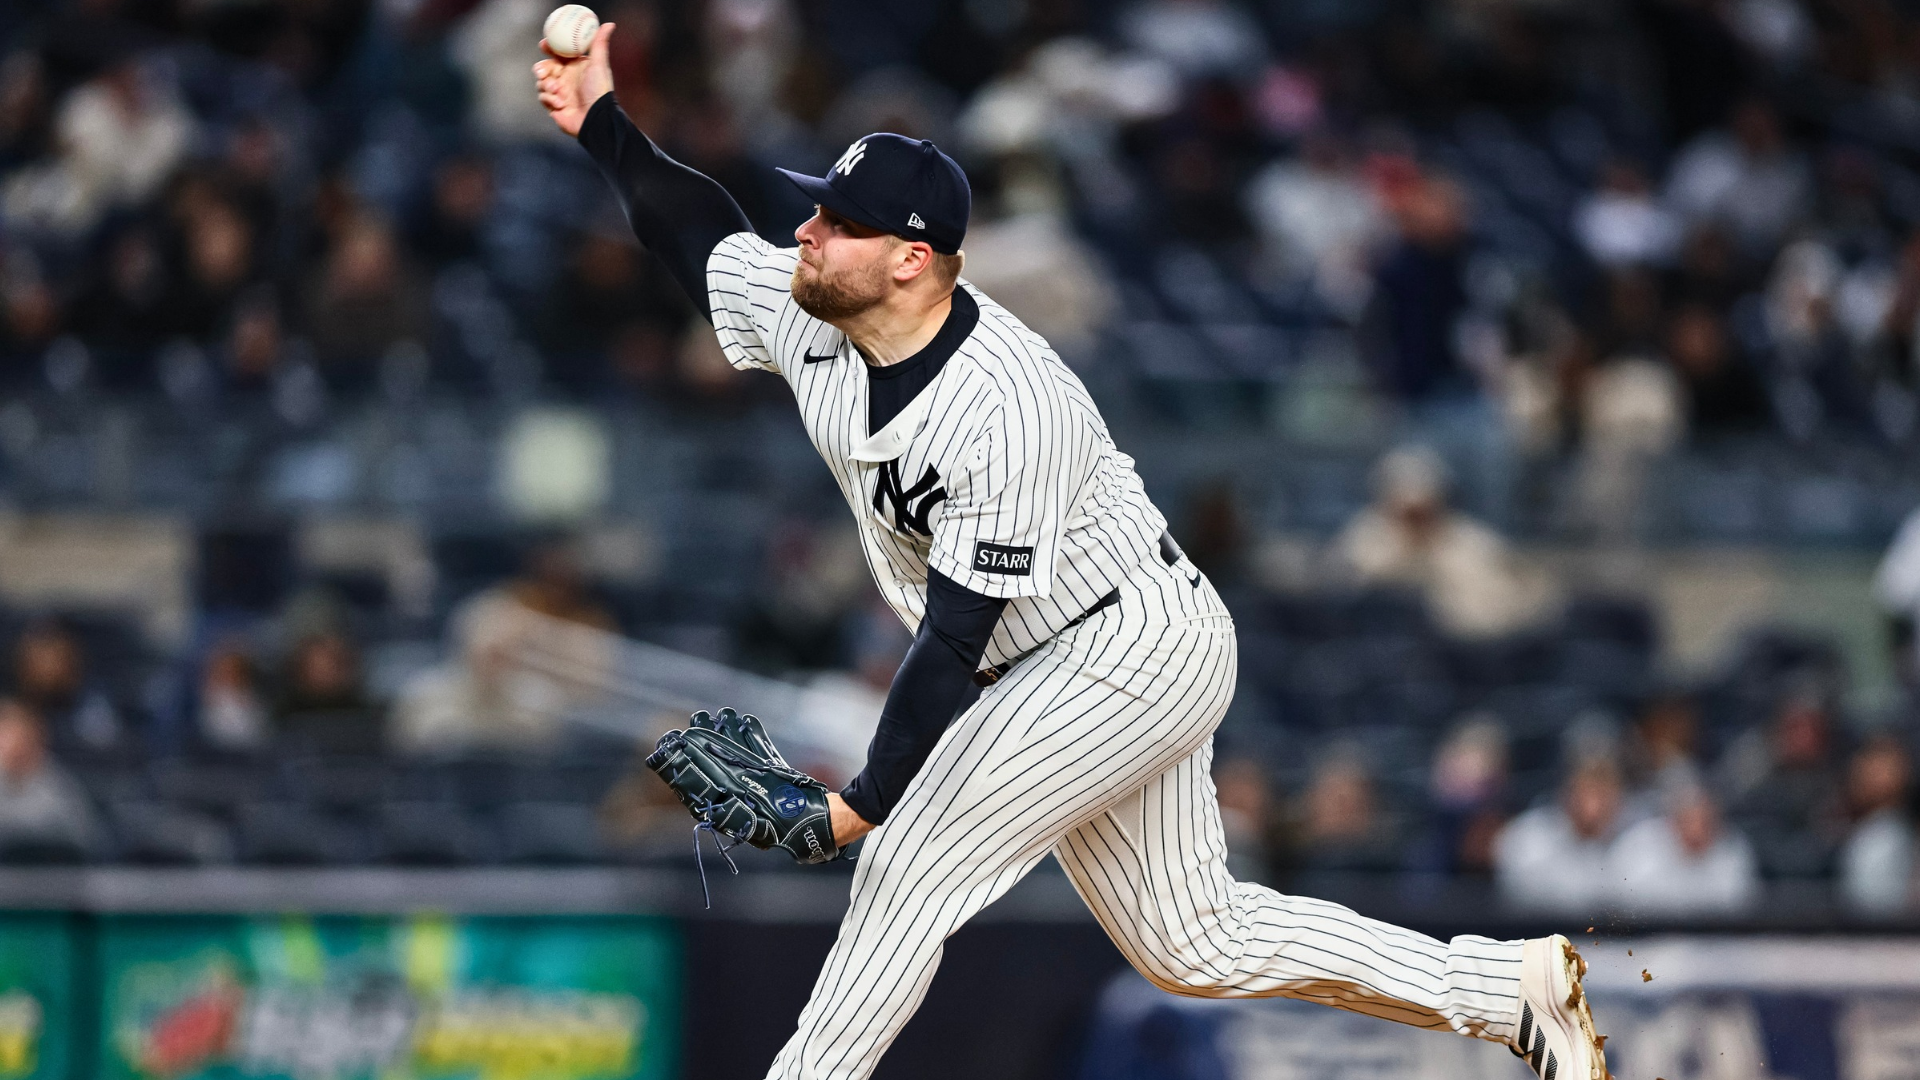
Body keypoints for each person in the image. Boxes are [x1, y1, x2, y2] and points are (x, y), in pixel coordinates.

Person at [534, 28, 1608, 1080]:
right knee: (1198, 946)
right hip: (1050, 655)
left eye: (838, 221)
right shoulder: (818, 315)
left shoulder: (1005, 407)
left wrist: (856, 803)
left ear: (913, 259)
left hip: (1121, 643)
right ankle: (1505, 992)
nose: (808, 231)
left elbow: (956, 637)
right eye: (816, 206)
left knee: (909, 860)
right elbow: (697, 234)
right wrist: (602, 122)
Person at [1492, 757, 1624, 914]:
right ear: (1567, 792)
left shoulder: (1631, 841)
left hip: (1603, 936)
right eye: (1587, 790)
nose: (1595, 803)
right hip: (1535, 932)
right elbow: (1520, 898)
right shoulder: (1529, 835)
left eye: (1604, 793)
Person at [0, 698, 98, 859]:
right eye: (5, 734)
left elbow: (85, 833)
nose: (14, 742)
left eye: (21, 733)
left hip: (56, 873)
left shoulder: (58, 781)